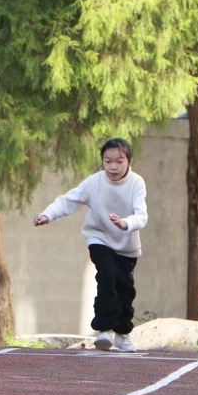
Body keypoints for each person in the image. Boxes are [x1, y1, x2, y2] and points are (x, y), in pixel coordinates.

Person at [34, 138, 148, 353]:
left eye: (119, 161)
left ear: (130, 162)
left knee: (125, 290)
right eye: (107, 161)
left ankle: (122, 334)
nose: (113, 167)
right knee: (106, 276)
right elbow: (69, 200)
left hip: (127, 244)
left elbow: (141, 215)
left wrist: (125, 223)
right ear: (102, 161)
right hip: (99, 237)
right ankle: (103, 330)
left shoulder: (136, 183)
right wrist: (47, 215)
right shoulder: (94, 182)